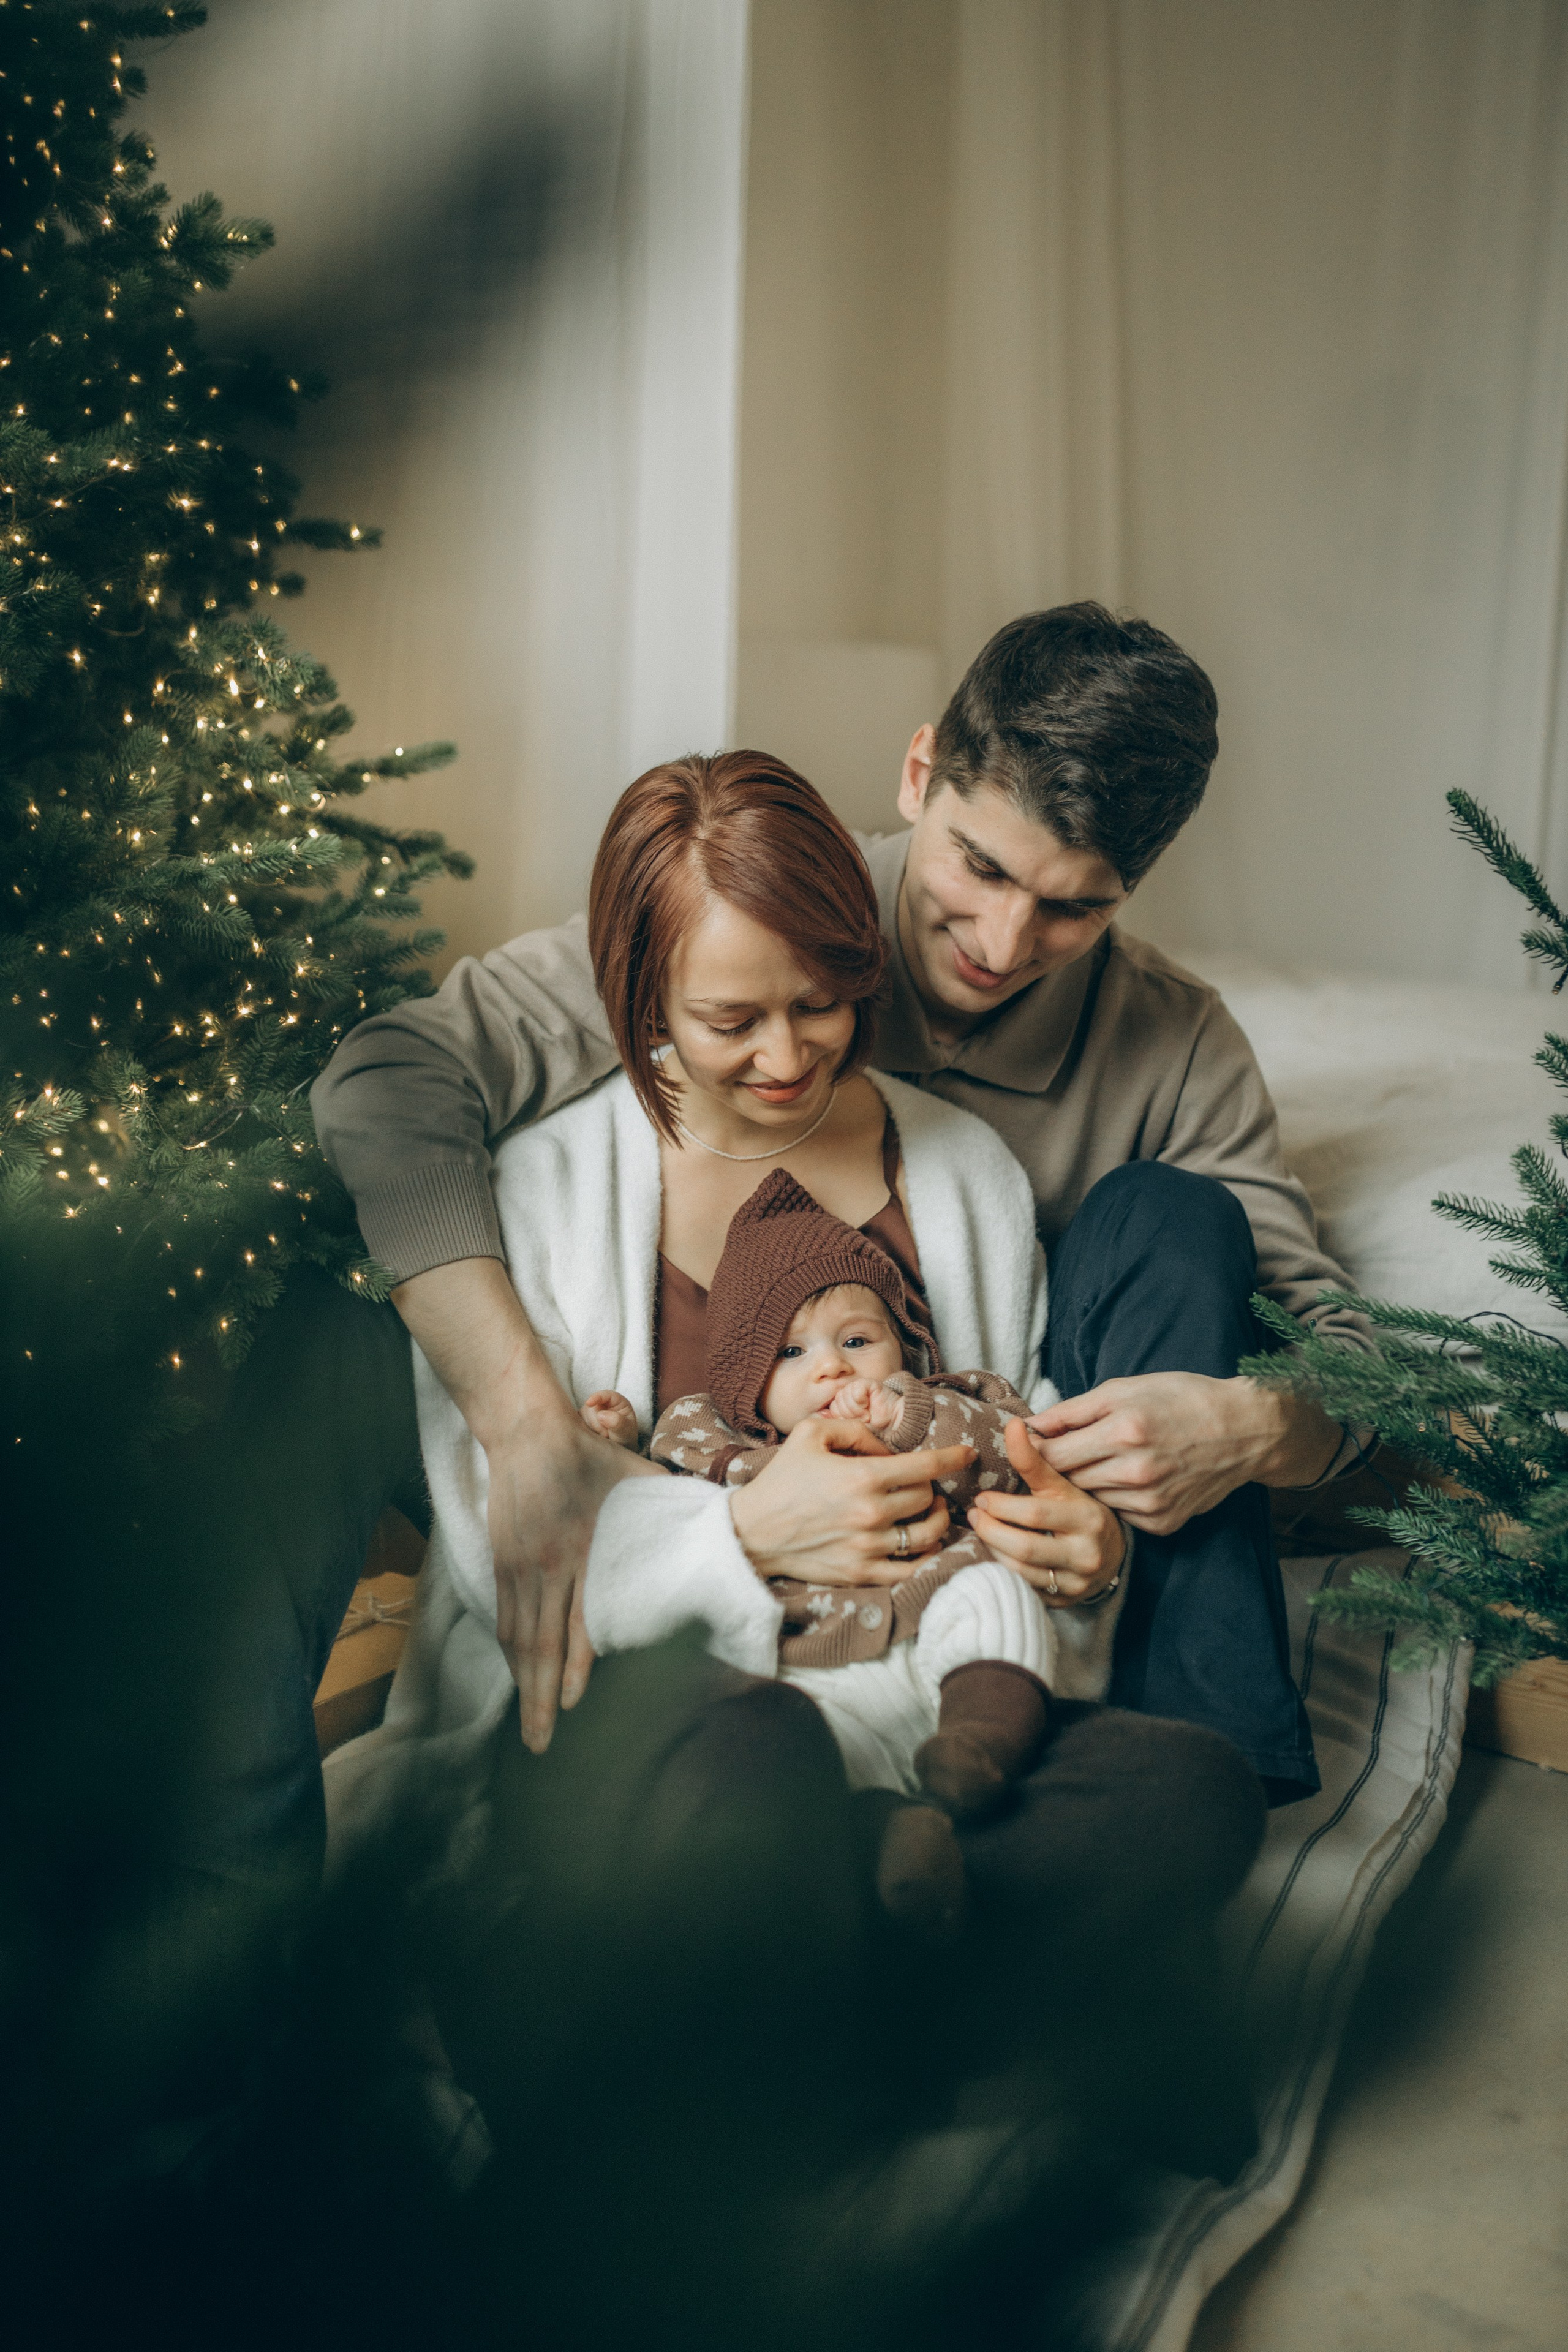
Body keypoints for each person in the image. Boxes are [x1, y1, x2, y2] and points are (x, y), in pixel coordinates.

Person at [328, 750, 1265, 2214]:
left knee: (1189, 1791)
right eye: (729, 1018)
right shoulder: (542, 1187)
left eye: (818, 1002)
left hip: (895, 1727)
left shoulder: (960, 1173)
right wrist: (743, 1528)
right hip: (646, 1724)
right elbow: (497, 1549)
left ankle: (737, 2051)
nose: (784, 1055)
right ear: (640, 998)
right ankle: (914, 2027)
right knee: (750, 1762)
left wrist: (1066, 1545)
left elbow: (989, 1473)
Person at [313, 600, 1363, 1807]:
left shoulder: (1162, 1052)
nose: (1004, 940)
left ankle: (1199, 1747)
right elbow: (388, 1082)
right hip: (725, 1574)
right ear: (920, 774)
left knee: (1175, 1222)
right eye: (978, 866)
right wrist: (525, 1421)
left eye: (1075, 908)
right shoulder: (750, 912)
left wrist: (1237, 1431)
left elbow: (1353, 1361)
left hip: (983, 1517)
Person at [597, 1165, 1128, 1940]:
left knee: (992, 1595)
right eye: (790, 1353)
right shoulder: (720, 1437)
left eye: (856, 1340)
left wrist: (909, 1413)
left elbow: (1011, 1449)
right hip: (814, 1651)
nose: (832, 1367)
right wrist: (614, 1443)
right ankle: (889, 1833)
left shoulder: (952, 1400)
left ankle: (981, 1747)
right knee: (811, 1734)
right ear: (743, 1385)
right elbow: (657, 1491)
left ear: (905, 1348)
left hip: (937, 1624)